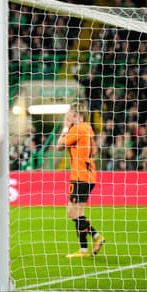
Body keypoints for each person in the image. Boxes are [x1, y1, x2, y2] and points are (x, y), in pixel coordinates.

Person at [56, 101, 105, 258]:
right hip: (87, 175)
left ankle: (96, 237)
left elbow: (59, 146)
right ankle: (84, 249)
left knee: (72, 212)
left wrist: (65, 127)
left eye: (69, 113)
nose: (67, 116)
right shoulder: (88, 128)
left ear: (75, 115)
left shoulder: (77, 129)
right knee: (78, 212)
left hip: (80, 176)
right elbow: (95, 151)